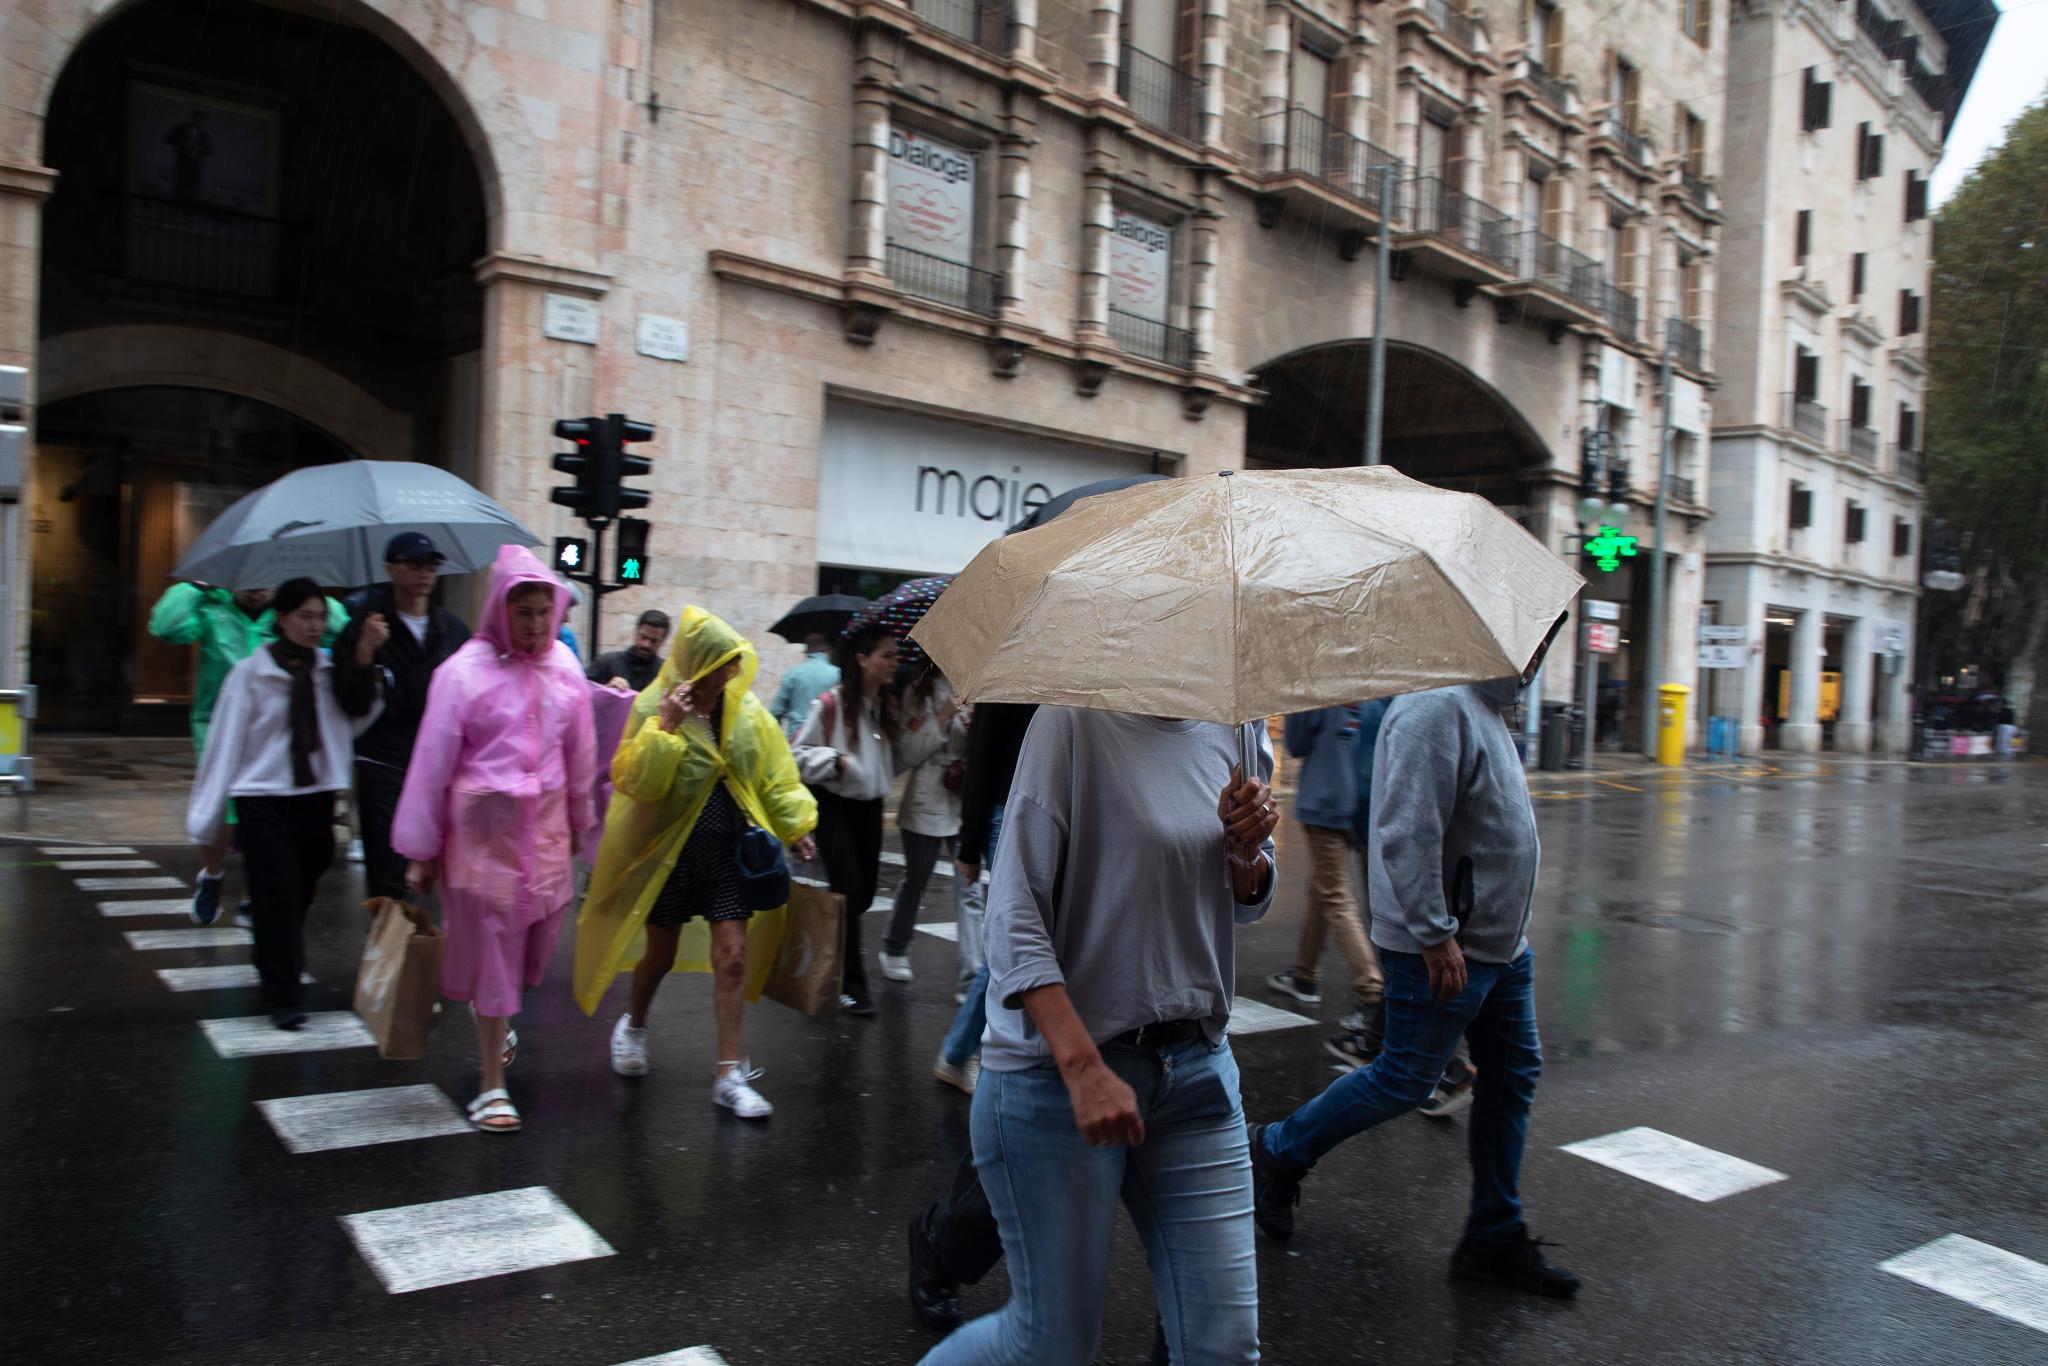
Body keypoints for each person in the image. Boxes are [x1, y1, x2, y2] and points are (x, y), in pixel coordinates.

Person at [917, 707, 1279, 1366]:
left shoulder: (1237, 727)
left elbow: (1246, 896)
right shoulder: (1072, 722)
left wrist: (1247, 851)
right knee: (1050, 1343)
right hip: (1056, 1079)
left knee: (1223, 1346)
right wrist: (1083, 1068)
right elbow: (1013, 915)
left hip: (1197, 1070)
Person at [1247, 621, 1581, 1299]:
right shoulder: (1437, 705)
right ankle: (1277, 1150)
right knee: (1403, 1078)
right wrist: (1434, 932)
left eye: (1546, 642)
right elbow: (1404, 830)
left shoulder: (1486, 706)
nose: (1537, 653)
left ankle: (1493, 1234)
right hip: (1446, 947)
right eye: (1529, 638)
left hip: (1497, 947)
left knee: (1513, 1076)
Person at [575, 607, 818, 1118]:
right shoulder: (653, 706)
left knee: (731, 958)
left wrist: (797, 825)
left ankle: (728, 1075)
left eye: (731, 665)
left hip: (729, 856)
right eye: (716, 665)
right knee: (658, 955)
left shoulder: (747, 712)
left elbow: (774, 772)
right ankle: (635, 1026)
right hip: (670, 856)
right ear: (693, 663)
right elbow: (635, 782)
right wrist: (665, 728)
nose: (725, 676)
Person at [392, 546, 598, 1133]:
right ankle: (491, 1083)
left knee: (528, 955)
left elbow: (580, 755)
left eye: (543, 611)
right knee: (494, 955)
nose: (535, 625)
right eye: (524, 612)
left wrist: (584, 825)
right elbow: (432, 763)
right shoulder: (462, 674)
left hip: (549, 842)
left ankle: (496, 1016)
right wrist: (420, 850)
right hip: (482, 847)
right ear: (499, 611)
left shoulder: (565, 670)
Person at [186, 579, 382, 1029]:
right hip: (262, 797)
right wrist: (207, 815)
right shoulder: (250, 674)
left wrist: (366, 660)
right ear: (282, 618)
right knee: (275, 892)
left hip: (314, 795)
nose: (315, 627)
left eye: (320, 617)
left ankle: (271, 952)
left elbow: (357, 717)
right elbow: (224, 743)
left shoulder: (328, 670)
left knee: (301, 885)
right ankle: (284, 994)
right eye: (304, 617)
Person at [149, 579, 348, 925]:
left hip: (274, 731)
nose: (256, 590)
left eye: (263, 583)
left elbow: (341, 631)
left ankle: (251, 895)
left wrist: (304, 594)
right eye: (247, 583)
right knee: (225, 808)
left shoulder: (287, 616)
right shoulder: (213, 609)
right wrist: (195, 589)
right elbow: (166, 626)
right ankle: (212, 874)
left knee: (260, 815)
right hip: (217, 724)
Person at [332, 533, 470, 903]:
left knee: (435, 872)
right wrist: (365, 651)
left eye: (431, 566)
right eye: (413, 564)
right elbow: (348, 700)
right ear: (391, 569)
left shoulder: (453, 631)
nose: (424, 574)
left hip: (439, 765)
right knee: (390, 876)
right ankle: (386, 953)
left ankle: (416, 952)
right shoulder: (365, 626)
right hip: (383, 763)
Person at [790, 622, 901, 1017]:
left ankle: (835, 962)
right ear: (862, 659)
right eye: (886, 655)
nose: (894, 662)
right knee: (851, 892)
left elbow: (900, 759)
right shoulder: (830, 704)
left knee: (863, 895)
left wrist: (942, 719)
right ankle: (850, 985)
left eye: (895, 654)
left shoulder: (885, 707)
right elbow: (797, 755)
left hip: (871, 810)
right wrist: (834, 760)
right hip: (835, 807)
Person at [1267, 703, 1387, 1046]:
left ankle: (1372, 991)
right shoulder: (1372, 683)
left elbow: (1297, 743)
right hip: (1363, 800)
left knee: (1335, 894)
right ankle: (1305, 974)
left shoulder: (1313, 691)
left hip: (1325, 798)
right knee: (1323, 887)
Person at [878, 669, 970, 986]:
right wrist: (943, 716)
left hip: (962, 795)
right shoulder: (918, 691)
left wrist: (973, 728)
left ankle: (972, 969)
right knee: (917, 878)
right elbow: (909, 752)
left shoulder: (974, 683)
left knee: (970, 886)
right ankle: (895, 947)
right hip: (926, 795)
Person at [772, 632, 840, 737]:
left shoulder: (793, 673)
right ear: (827, 651)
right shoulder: (837, 674)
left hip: (795, 740)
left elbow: (776, 712)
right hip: (826, 742)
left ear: (807, 652)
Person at [586, 609, 671, 694]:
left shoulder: (665, 673)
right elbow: (581, 694)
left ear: (662, 642)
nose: (646, 644)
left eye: (654, 641)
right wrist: (606, 690)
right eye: (643, 637)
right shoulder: (605, 663)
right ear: (636, 633)